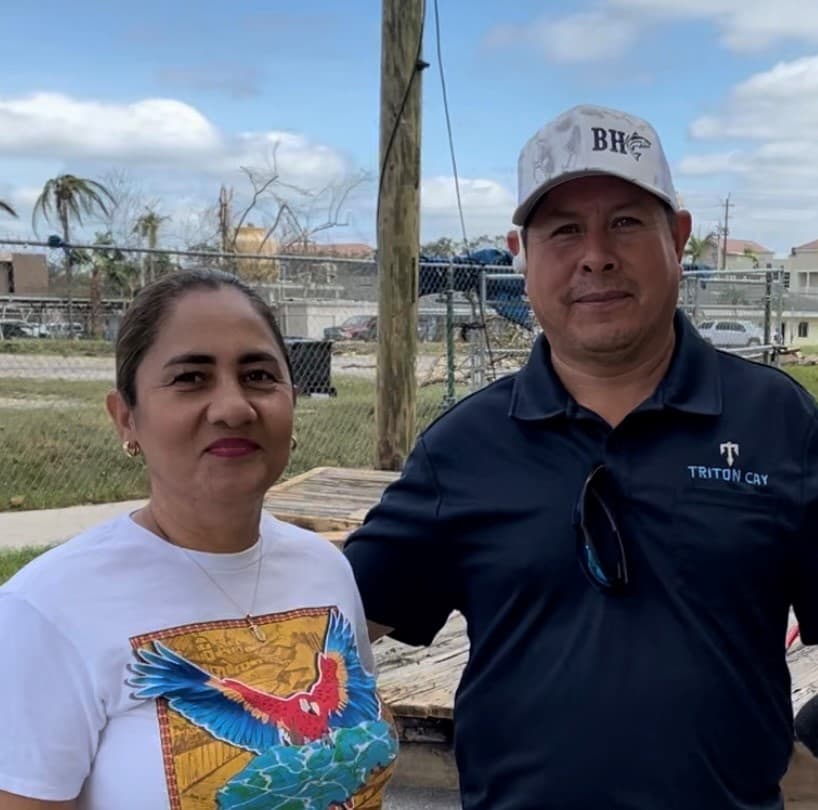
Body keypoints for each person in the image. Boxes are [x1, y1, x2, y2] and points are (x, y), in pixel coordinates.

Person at [344, 104, 818, 809]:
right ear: (522, 255)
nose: (596, 253)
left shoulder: (779, 422)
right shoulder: (464, 448)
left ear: (678, 238)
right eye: (564, 229)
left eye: (626, 221)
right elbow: (333, 626)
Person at [0, 269, 397, 810]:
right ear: (126, 419)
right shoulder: (46, 610)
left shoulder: (324, 570)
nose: (234, 408)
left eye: (258, 375)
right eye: (191, 378)